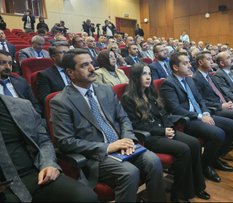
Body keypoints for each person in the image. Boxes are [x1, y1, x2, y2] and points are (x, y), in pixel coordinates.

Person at [50, 49, 165, 202]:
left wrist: (127, 139)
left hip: (121, 145)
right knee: (129, 172)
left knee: (154, 161)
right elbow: (65, 142)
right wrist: (108, 147)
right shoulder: (61, 102)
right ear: (70, 72)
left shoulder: (105, 90)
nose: (92, 68)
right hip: (97, 155)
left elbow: (123, 118)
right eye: (85, 65)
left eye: (91, 63)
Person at [122, 63, 210, 201]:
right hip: (150, 137)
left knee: (194, 143)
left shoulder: (150, 92)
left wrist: (169, 128)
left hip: (164, 131)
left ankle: (197, 187)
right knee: (184, 149)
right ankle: (178, 193)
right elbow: (136, 125)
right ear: (135, 77)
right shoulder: (128, 98)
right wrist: (163, 131)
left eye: (150, 74)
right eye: (144, 74)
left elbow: (163, 114)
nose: (148, 77)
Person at [160, 52, 233, 183]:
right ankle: (205, 165)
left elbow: (200, 99)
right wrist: (199, 116)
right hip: (187, 120)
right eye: (185, 63)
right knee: (219, 134)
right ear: (175, 67)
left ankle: (213, 158)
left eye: (189, 62)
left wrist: (205, 112)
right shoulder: (168, 83)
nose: (189, 65)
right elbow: (175, 109)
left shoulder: (189, 79)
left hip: (200, 115)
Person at [0, 95, 98, 202]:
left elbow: (43, 141)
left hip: (35, 175)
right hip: (4, 186)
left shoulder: (22, 105)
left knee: (86, 197)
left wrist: (49, 164)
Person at [36, 42, 70, 109]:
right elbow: (46, 99)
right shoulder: (44, 75)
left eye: (68, 53)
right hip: (61, 108)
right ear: (53, 57)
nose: (67, 55)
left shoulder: (76, 70)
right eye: (63, 52)